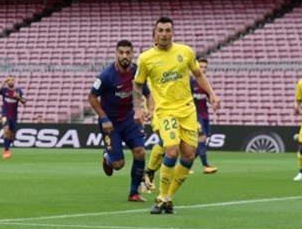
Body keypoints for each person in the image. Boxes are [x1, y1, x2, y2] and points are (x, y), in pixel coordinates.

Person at [133, 17, 220, 214]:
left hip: (188, 111)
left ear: (173, 32)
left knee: (188, 156)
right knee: (171, 150)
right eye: (161, 30)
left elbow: (198, 75)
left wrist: (212, 94)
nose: (164, 34)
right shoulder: (146, 58)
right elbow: (138, 84)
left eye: (168, 30)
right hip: (165, 111)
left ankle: (168, 197)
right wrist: (139, 107)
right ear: (154, 33)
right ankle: (161, 196)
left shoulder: (185, 52)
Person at [89, 41, 149, 202]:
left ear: (132, 53)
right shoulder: (106, 75)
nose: (124, 56)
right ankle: (108, 156)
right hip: (110, 124)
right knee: (118, 165)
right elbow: (92, 97)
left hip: (129, 120)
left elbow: (148, 94)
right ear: (116, 53)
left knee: (140, 152)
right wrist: (103, 118)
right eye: (121, 52)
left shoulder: (137, 71)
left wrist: (148, 110)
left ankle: (134, 193)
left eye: (128, 52)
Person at [191, 58, 217, 174]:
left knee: (203, 140)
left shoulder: (206, 84)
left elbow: (210, 97)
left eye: (205, 67)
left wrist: (214, 102)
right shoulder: (190, 82)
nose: (203, 69)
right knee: (201, 138)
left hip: (204, 115)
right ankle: (206, 165)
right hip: (194, 115)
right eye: (201, 67)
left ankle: (185, 165)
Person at [0, 77, 26, 159]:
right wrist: (2, 83)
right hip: (5, 114)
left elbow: (24, 101)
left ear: (14, 81)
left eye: (12, 80)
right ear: (7, 82)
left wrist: (18, 97)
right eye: (9, 80)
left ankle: (8, 143)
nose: (11, 81)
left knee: (12, 135)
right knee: (6, 130)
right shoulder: (4, 90)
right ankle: (6, 150)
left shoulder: (19, 90)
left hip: (14, 116)